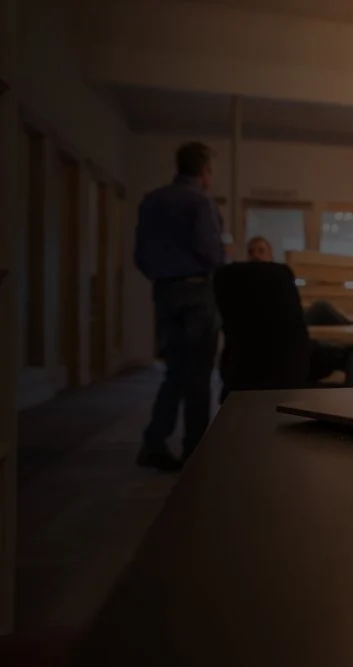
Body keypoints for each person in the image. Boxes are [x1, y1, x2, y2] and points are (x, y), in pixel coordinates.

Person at [134, 142, 225, 471]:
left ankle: (154, 442)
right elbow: (211, 251)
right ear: (204, 172)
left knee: (174, 372)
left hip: (164, 292)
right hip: (197, 293)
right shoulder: (200, 202)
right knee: (199, 375)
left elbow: (141, 257)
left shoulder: (151, 201)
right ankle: (195, 452)